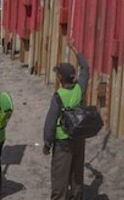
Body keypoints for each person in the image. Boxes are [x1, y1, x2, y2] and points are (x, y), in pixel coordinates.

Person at [44, 52, 90, 200]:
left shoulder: (59, 96)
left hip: (63, 142)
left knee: (59, 179)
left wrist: (47, 143)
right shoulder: (80, 89)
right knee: (77, 175)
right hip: (78, 138)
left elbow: (50, 123)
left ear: (60, 78)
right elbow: (86, 68)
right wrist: (77, 51)